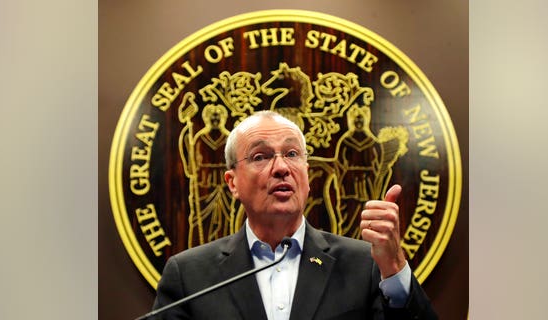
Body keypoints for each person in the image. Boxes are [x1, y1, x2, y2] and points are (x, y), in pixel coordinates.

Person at [152, 111, 437, 319]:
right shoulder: (189, 275)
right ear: (232, 182)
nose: (281, 168)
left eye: (291, 153)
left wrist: (396, 268)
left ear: (307, 175)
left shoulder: (365, 266)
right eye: (260, 156)